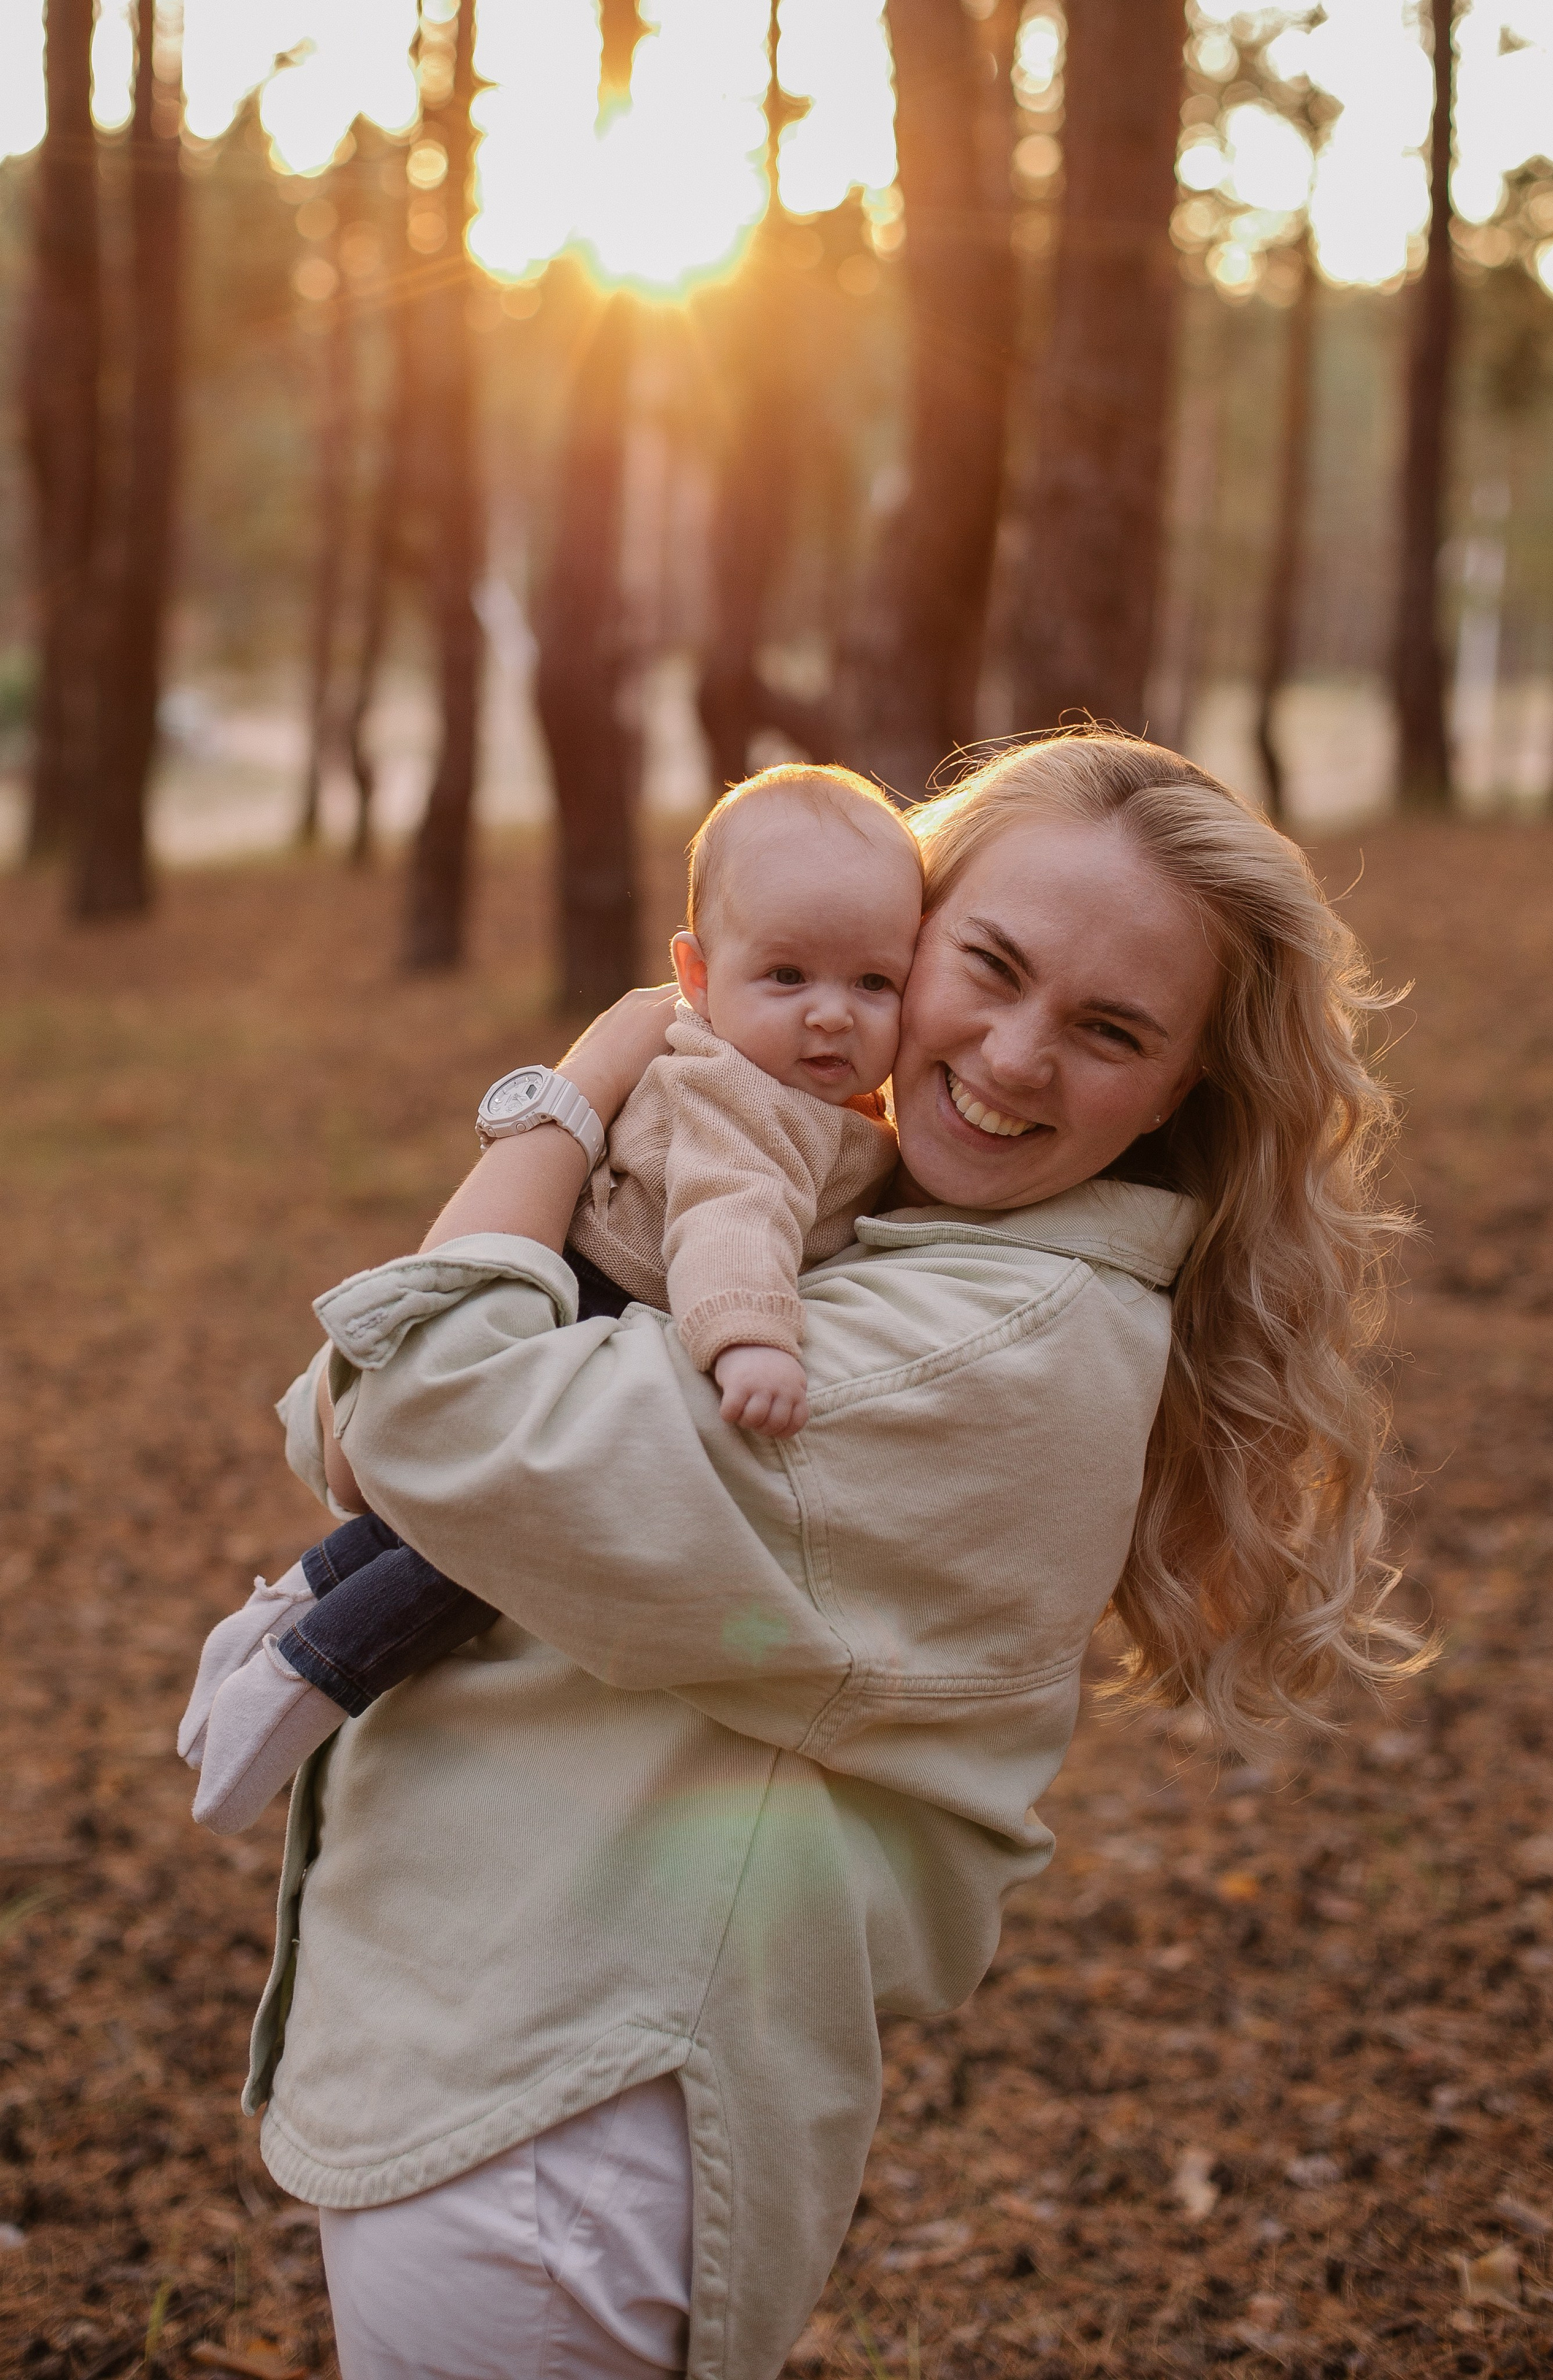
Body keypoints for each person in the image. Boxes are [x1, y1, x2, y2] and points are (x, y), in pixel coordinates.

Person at [232, 734, 1417, 2380]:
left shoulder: (970, 1351)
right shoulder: (863, 1226)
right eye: (986, 964)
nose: (1008, 1056)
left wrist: (577, 1089)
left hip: (568, 2131)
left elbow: (411, 1402)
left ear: (1180, 1090)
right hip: (529, 2085)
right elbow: (359, 1416)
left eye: (1111, 1029)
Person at [180, 766, 922, 1833]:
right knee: (489, 1543)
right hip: (601, 1301)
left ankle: (290, 1607)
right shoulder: (749, 1100)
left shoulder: (799, 1093)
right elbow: (731, 1214)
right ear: (698, 976)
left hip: (587, 1290)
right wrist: (751, 1336)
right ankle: (311, 1671)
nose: (829, 1017)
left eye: (873, 985)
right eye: (790, 974)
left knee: (423, 1516)